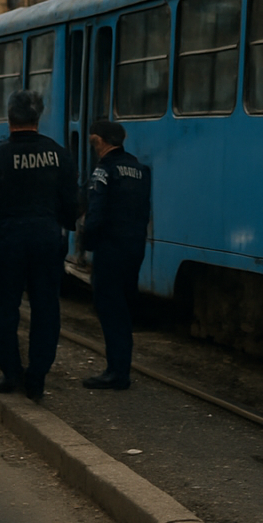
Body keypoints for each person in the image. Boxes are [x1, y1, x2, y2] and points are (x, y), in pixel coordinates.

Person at [0, 90, 79, 400]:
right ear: (38, 119)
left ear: (9, 118)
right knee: (46, 308)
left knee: (5, 309)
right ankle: (37, 378)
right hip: (45, 238)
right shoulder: (58, 154)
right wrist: (62, 224)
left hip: (10, 239)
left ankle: (11, 374)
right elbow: (72, 204)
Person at [82, 119, 152, 391]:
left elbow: (96, 210)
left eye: (92, 141)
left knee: (110, 309)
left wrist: (89, 240)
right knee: (124, 307)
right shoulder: (140, 168)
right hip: (134, 247)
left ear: (99, 141)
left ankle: (116, 372)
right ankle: (120, 368)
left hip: (110, 249)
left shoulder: (104, 170)